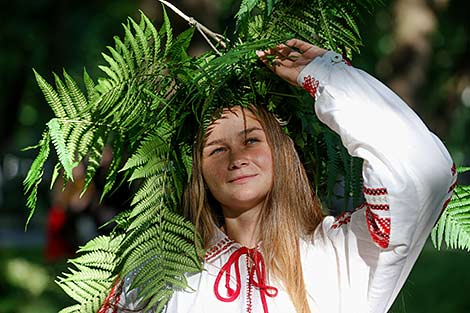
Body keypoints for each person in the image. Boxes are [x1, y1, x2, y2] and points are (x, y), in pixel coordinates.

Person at [99, 39, 456, 313]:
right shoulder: (161, 274)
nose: (237, 158)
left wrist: (328, 76)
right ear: (199, 172)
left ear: (281, 151)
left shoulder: (344, 256)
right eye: (216, 149)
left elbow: (424, 169)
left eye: (251, 140)